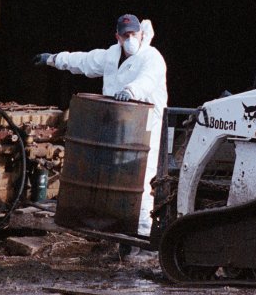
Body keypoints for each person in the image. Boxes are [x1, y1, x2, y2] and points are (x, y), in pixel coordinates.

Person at [34, 14, 168, 237]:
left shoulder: (151, 58)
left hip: (145, 129)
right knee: (112, 180)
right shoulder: (111, 55)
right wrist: (53, 59)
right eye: (125, 35)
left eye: (134, 34)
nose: (130, 38)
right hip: (116, 130)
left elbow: (147, 80)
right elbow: (83, 61)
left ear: (141, 34)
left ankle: (140, 235)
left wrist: (131, 91)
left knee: (140, 179)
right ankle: (114, 230)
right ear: (118, 37)